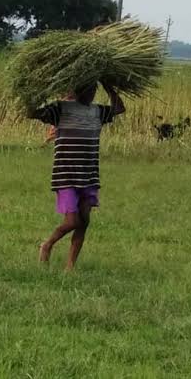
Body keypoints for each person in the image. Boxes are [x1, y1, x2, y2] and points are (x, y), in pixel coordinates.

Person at [27, 82, 126, 270]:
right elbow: (32, 112)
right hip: (65, 175)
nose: (90, 93)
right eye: (87, 89)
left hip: (88, 175)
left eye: (93, 89)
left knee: (84, 221)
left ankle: (70, 267)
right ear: (77, 90)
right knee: (72, 221)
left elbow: (119, 108)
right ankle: (47, 244)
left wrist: (110, 87)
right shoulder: (61, 109)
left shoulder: (97, 111)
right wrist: (40, 86)